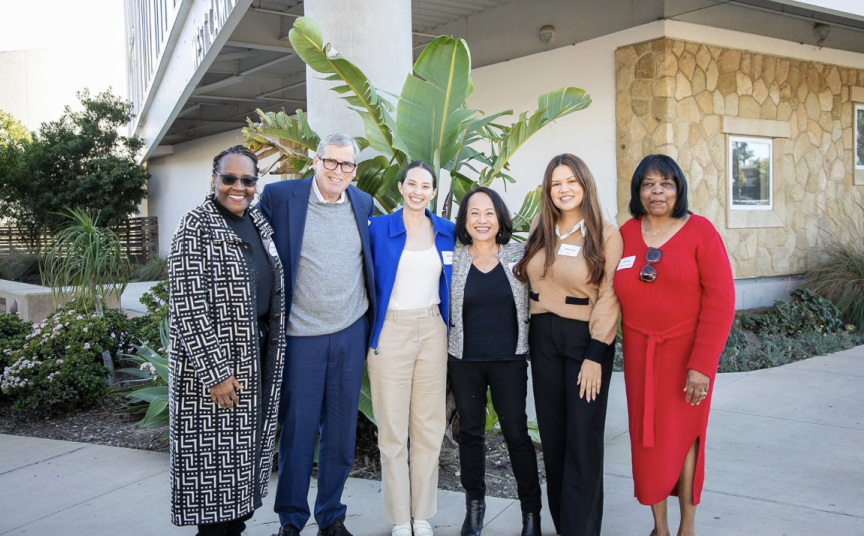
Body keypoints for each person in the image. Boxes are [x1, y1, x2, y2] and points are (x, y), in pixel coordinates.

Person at [258, 133, 376, 536]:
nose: (337, 171)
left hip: (349, 332)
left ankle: (332, 516)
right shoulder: (280, 198)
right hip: (300, 335)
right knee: (298, 431)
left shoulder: (362, 203)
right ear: (315, 160)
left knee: (340, 435)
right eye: (331, 162)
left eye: (346, 165)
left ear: (354, 171)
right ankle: (291, 520)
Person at [613, 154, 735, 536]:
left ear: (678, 188)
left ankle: (687, 527)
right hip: (640, 355)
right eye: (648, 184)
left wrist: (702, 363)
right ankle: (659, 528)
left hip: (687, 357)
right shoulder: (625, 234)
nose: (657, 191)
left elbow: (721, 300)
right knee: (647, 441)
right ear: (638, 191)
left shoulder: (700, 231)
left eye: (665, 183)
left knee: (684, 440)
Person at [167, 145, 286, 536]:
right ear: (213, 180)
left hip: (254, 361)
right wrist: (215, 372)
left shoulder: (258, 223)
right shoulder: (195, 225)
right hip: (215, 375)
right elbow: (186, 305)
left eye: (248, 180)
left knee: (237, 476)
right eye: (229, 179)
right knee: (213, 481)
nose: (239, 187)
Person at [513, 154, 623, 536]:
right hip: (542, 338)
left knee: (582, 438)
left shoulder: (605, 233)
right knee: (555, 439)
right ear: (549, 189)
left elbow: (610, 295)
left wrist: (595, 354)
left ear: (585, 185)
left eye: (571, 181)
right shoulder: (540, 227)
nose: (564, 189)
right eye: (556, 183)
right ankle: (565, 526)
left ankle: (582, 529)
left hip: (585, 343)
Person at [367, 161, 456, 536]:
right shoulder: (378, 228)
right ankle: (400, 519)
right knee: (391, 429)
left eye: (426, 186)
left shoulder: (447, 231)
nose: (419, 191)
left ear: (433, 193)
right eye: (412, 184)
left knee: (428, 427)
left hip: (433, 328)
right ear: (401, 187)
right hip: (391, 330)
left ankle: (422, 515)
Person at [450, 187, 542, 536]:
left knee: (517, 434)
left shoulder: (520, 256)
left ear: (501, 218)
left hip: (509, 360)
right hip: (465, 360)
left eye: (489, 212)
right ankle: (474, 510)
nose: (482, 220)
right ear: (465, 220)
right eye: (474, 213)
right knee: (471, 434)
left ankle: (531, 514)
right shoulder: (454, 258)